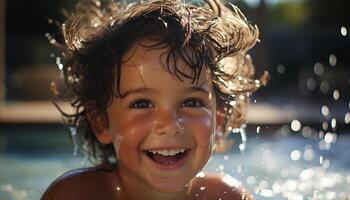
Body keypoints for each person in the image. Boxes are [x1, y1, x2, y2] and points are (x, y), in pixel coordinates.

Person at [42, 0, 268, 199]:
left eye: (191, 102)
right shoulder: (76, 195)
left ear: (218, 122)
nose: (170, 125)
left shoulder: (227, 197)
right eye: (142, 103)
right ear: (101, 121)